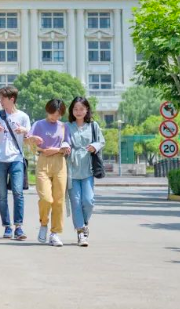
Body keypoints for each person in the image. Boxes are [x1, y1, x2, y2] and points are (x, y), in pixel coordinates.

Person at [0, 85, 31, 241]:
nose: (0, 102)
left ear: (11, 99)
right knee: (2, 195)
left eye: (2, 99)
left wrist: (24, 131)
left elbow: (29, 140)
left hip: (16, 158)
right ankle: (7, 226)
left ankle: (18, 226)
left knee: (18, 192)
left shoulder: (23, 117)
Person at [26, 98, 71, 247]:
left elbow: (67, 144)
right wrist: (32, 138)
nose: (55, 117)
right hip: (43, 161)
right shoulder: (38, 124)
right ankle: (44, 223)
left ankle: (55, 233)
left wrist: (60, 149)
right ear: (48, 110)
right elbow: (27, 141)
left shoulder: (64, 126)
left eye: (58, 115)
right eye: (53, 114)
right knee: (46, 198)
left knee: (59, 200)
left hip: (59, 162)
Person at [64, 96, 105, 247]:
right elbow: (62, 140)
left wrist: (95, 146)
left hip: (87, 168)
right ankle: (81, 232)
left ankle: (84, 222)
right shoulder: (67, 126)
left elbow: (101, 141)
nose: (78, 111)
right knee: (75, 201)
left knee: (88, 201)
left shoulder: (93, 126)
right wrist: (65, 146)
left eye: (81, 108)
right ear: (72, 111)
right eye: (75, 109)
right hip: (71, 168)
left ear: (87, 109)